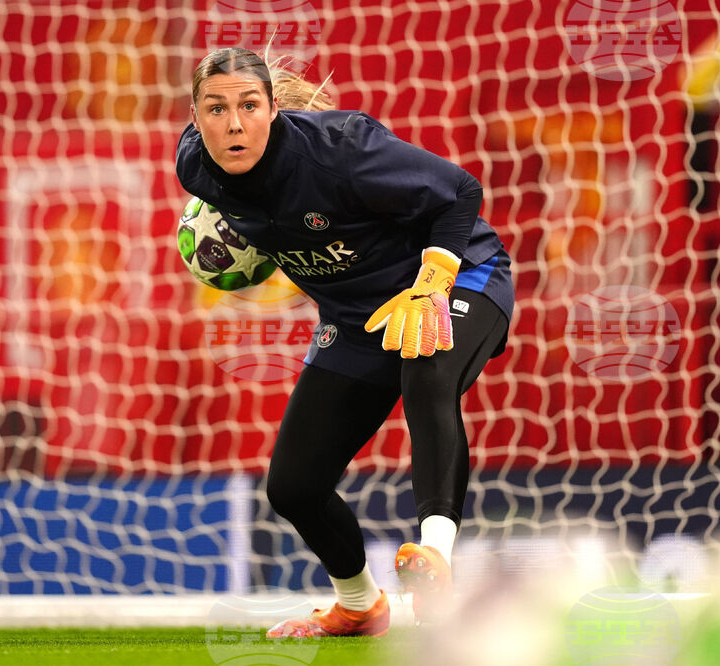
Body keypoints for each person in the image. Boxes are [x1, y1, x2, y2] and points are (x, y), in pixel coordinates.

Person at [176, 48, 514, 637]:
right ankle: (359, 605)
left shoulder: (342, 151)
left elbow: (459, 191)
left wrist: (431, 286)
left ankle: (435, 554)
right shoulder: (197, 170)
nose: (233, 124)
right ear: (195, 116)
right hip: (356, 317)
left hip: (457, 277)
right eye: (216, 108)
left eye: (249, 106)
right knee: (293, 486)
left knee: (426, 366)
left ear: (275, 109)